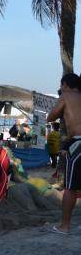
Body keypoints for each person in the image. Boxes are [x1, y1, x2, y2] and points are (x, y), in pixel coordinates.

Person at [46, 73, 81, 234]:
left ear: (65, 84)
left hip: (78, 143)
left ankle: (65, 226)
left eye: (61, 85)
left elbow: (50, 116)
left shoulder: (66, 95)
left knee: (70, 188)